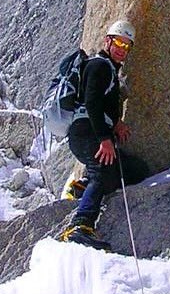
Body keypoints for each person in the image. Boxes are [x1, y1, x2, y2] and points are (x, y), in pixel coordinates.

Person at [59, 19, 144, 247]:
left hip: (89, 130)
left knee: (132, 171)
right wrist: (105, 138)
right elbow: (92, 102)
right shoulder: (99, 66)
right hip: (87, 132)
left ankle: (83, 188)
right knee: (102, 170)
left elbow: (101, 103)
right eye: (118, 42)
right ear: (108, 40)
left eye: (127, 46)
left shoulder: (107, 69)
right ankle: (80, 224)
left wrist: (115, 122)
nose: (121, 49)